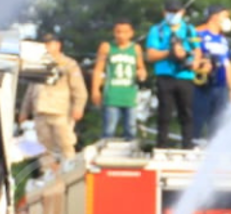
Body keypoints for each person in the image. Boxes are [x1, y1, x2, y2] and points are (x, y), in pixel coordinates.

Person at [19, 31, 87, 166]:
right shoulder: (38, 64)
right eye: (45, 44)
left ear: (58, 45)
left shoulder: (68, 64)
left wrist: (78, 107)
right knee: (43, 147)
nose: (47, 47)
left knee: (65, 144)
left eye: (50, 44)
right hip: (40, 110)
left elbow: (78, 88)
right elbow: (31, 89)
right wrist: (24, 111)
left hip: (60, 110)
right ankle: (48, 174)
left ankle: (69, 169)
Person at [146, 1, 201, 150]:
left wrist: (193, 60)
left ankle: (188, 145)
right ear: (164, 13)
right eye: (170, 11)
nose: (173, 15)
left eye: (176, 12)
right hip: (165, 75)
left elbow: (197, 50)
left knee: (187, 113)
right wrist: (170, 53)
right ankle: (162, 145)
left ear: (182, 13)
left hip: (185, 75)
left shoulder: (189, 30)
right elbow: (151, 54)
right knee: (164, 113)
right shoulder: (157, 30)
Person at [92, 19, 147, 140]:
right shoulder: (107, 47)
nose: (121, 35)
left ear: (131, 33)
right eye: (118, 32)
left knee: (131, 131)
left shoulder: (136, 48)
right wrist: (95, 90)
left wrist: (141, 73)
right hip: (112, 94)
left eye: (125, 32)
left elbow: (141, 67)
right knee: (109, 130)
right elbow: (98, 70)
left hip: (130, 95)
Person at [193, 5, 231, 141]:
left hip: (221, 84)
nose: (227, 20)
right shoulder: (198, 34)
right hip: (202, 84)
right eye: (225, 16)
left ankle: (214, 146)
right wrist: (201, 65)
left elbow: (228, 64)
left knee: (218, 121)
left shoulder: (223, 40)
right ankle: (193, 143)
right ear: (214, 17)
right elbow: (193, 57)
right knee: (198, 117)